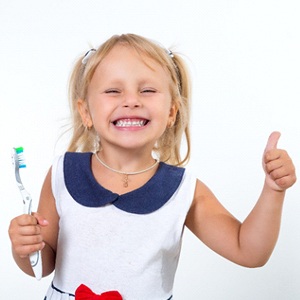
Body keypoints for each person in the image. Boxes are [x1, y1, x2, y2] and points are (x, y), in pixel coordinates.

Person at [8, 33, 296, 300]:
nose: (131, 101)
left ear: (171, 112)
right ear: (86, 112)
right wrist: (24, 247)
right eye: (112, 91)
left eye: (147, 90)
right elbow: (41, 265)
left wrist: (273, 191)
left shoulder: (184, 191)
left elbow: (249, 251)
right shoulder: (62, 174)